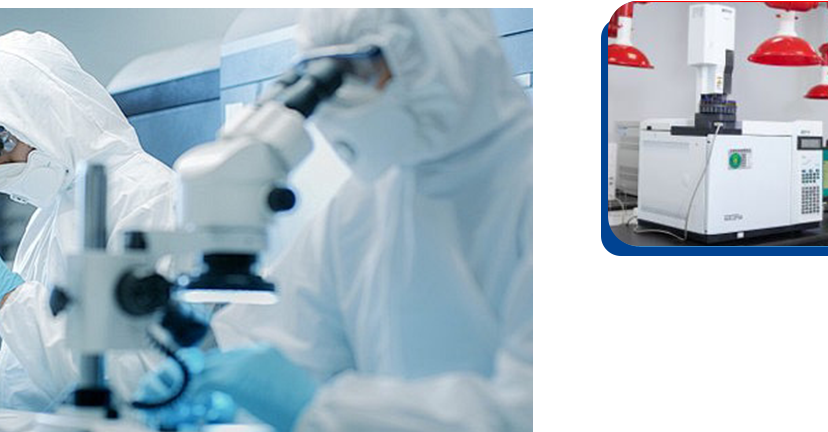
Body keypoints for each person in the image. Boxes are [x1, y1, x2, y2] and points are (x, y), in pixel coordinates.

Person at [139, 3, 547, 432]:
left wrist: (319, 407)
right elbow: (287, 345)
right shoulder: (363, 204)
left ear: (443, 51)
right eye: (324, 77)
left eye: (358, 71)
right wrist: (218, 389)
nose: (339, 104)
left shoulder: (542, 186)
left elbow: (536, 408)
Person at [0, 31, 178, 411]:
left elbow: (137, 377)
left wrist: (7, 294)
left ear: (44, 120)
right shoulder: (52, 212)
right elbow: (29, 379)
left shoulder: (150, 198)